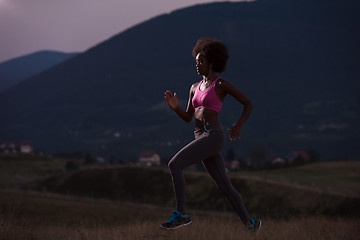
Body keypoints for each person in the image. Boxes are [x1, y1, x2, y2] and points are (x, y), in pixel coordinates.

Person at [160, 38, 261, 234]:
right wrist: (176, 109)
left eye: (201, 61)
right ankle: (251, 224)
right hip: (200, 136)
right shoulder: (193, 87)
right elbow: (188, 117)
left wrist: (239, 126)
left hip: (213, 136)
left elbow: (248, 103)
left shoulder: (221, 84)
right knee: (224, 185)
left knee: (174, 164)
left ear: (212, 62)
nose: (197, 64)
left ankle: (182, 213)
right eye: (196, 61)